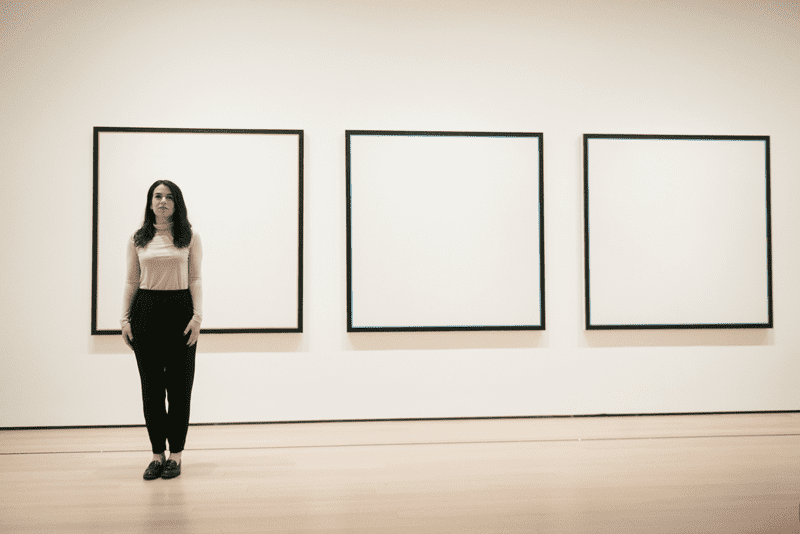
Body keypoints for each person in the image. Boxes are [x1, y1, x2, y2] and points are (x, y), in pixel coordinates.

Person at [120, 180, 202, 480]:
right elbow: (131, 281)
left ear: (176, 203)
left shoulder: (189, 237)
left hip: (180, 312)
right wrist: (124, 319)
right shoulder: (137, 239)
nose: (163, 201)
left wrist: (197, 317)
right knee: (152, 390)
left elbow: (195, 279)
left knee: (179, 390)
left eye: (169, 197)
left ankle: (176, 455)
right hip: (146, 313)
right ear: (150, 202)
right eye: (158, 196)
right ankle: (157, 455)